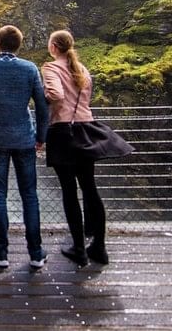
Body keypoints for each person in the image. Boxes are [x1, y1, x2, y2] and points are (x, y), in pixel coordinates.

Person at [0, 24, 49, 270]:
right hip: (25, 138)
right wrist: (41, 136)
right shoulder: (29, 68)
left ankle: (1, 252)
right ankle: (35, 253)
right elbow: (43, 107)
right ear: (18, 45)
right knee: (30, 196)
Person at [41, 29, 108, 266]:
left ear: (54, 48)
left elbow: (56, 95)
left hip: (63, 132)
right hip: (85, 129)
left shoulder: (51, 68)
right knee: (90, 188)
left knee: (69, 191)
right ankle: (99, 246)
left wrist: (43, 98)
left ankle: (78, 248)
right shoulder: (83, 70)